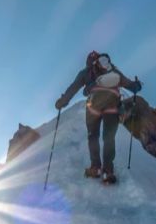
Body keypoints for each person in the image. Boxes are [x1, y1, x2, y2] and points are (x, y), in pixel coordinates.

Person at [55, 51, 142, 184]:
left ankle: (95, 168)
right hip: (112, 105)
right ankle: (108, 171)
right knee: (109, 137)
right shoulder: (114, 71)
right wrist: (136, 86)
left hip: (93, 107)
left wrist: (63, 102)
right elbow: (130, 85)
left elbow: (73, 88)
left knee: (93, 136)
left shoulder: (85, 72)